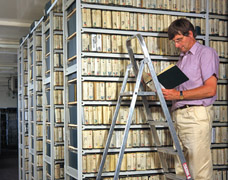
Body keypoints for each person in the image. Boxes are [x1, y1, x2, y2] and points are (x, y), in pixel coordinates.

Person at [162, 18, 219, 180]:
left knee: (199, 171)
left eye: (179, 40)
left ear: (191, 34)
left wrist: (178, 95)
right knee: (181, 171)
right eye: (174, 42)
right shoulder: (182, 59)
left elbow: (210, 89)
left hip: (196, 115)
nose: (177, 45)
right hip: (179, 115)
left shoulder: (206, 53)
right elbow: (176, 89)